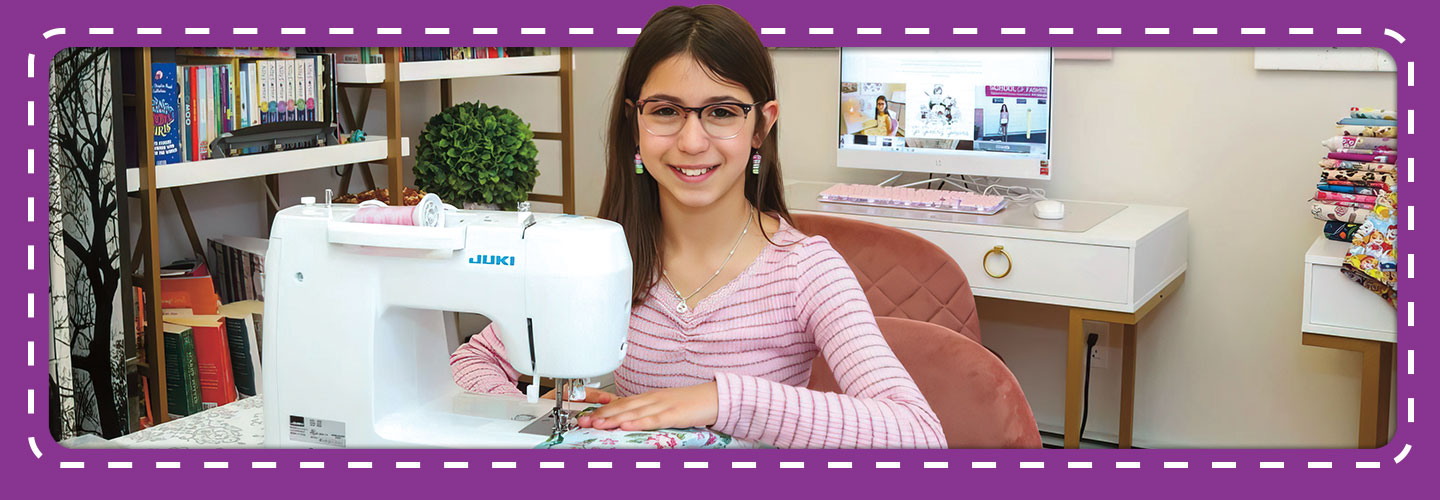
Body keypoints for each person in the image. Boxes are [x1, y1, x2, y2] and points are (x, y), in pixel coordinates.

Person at [450, 4, 945, 449]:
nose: (691, 141)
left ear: (761, 125)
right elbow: (470, 363)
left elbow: (918, 434)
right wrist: (535, 418)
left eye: (721, 112)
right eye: (666, 111)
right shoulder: (599, 261)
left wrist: (716, 400)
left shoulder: (807, 271)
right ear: (634, 123)